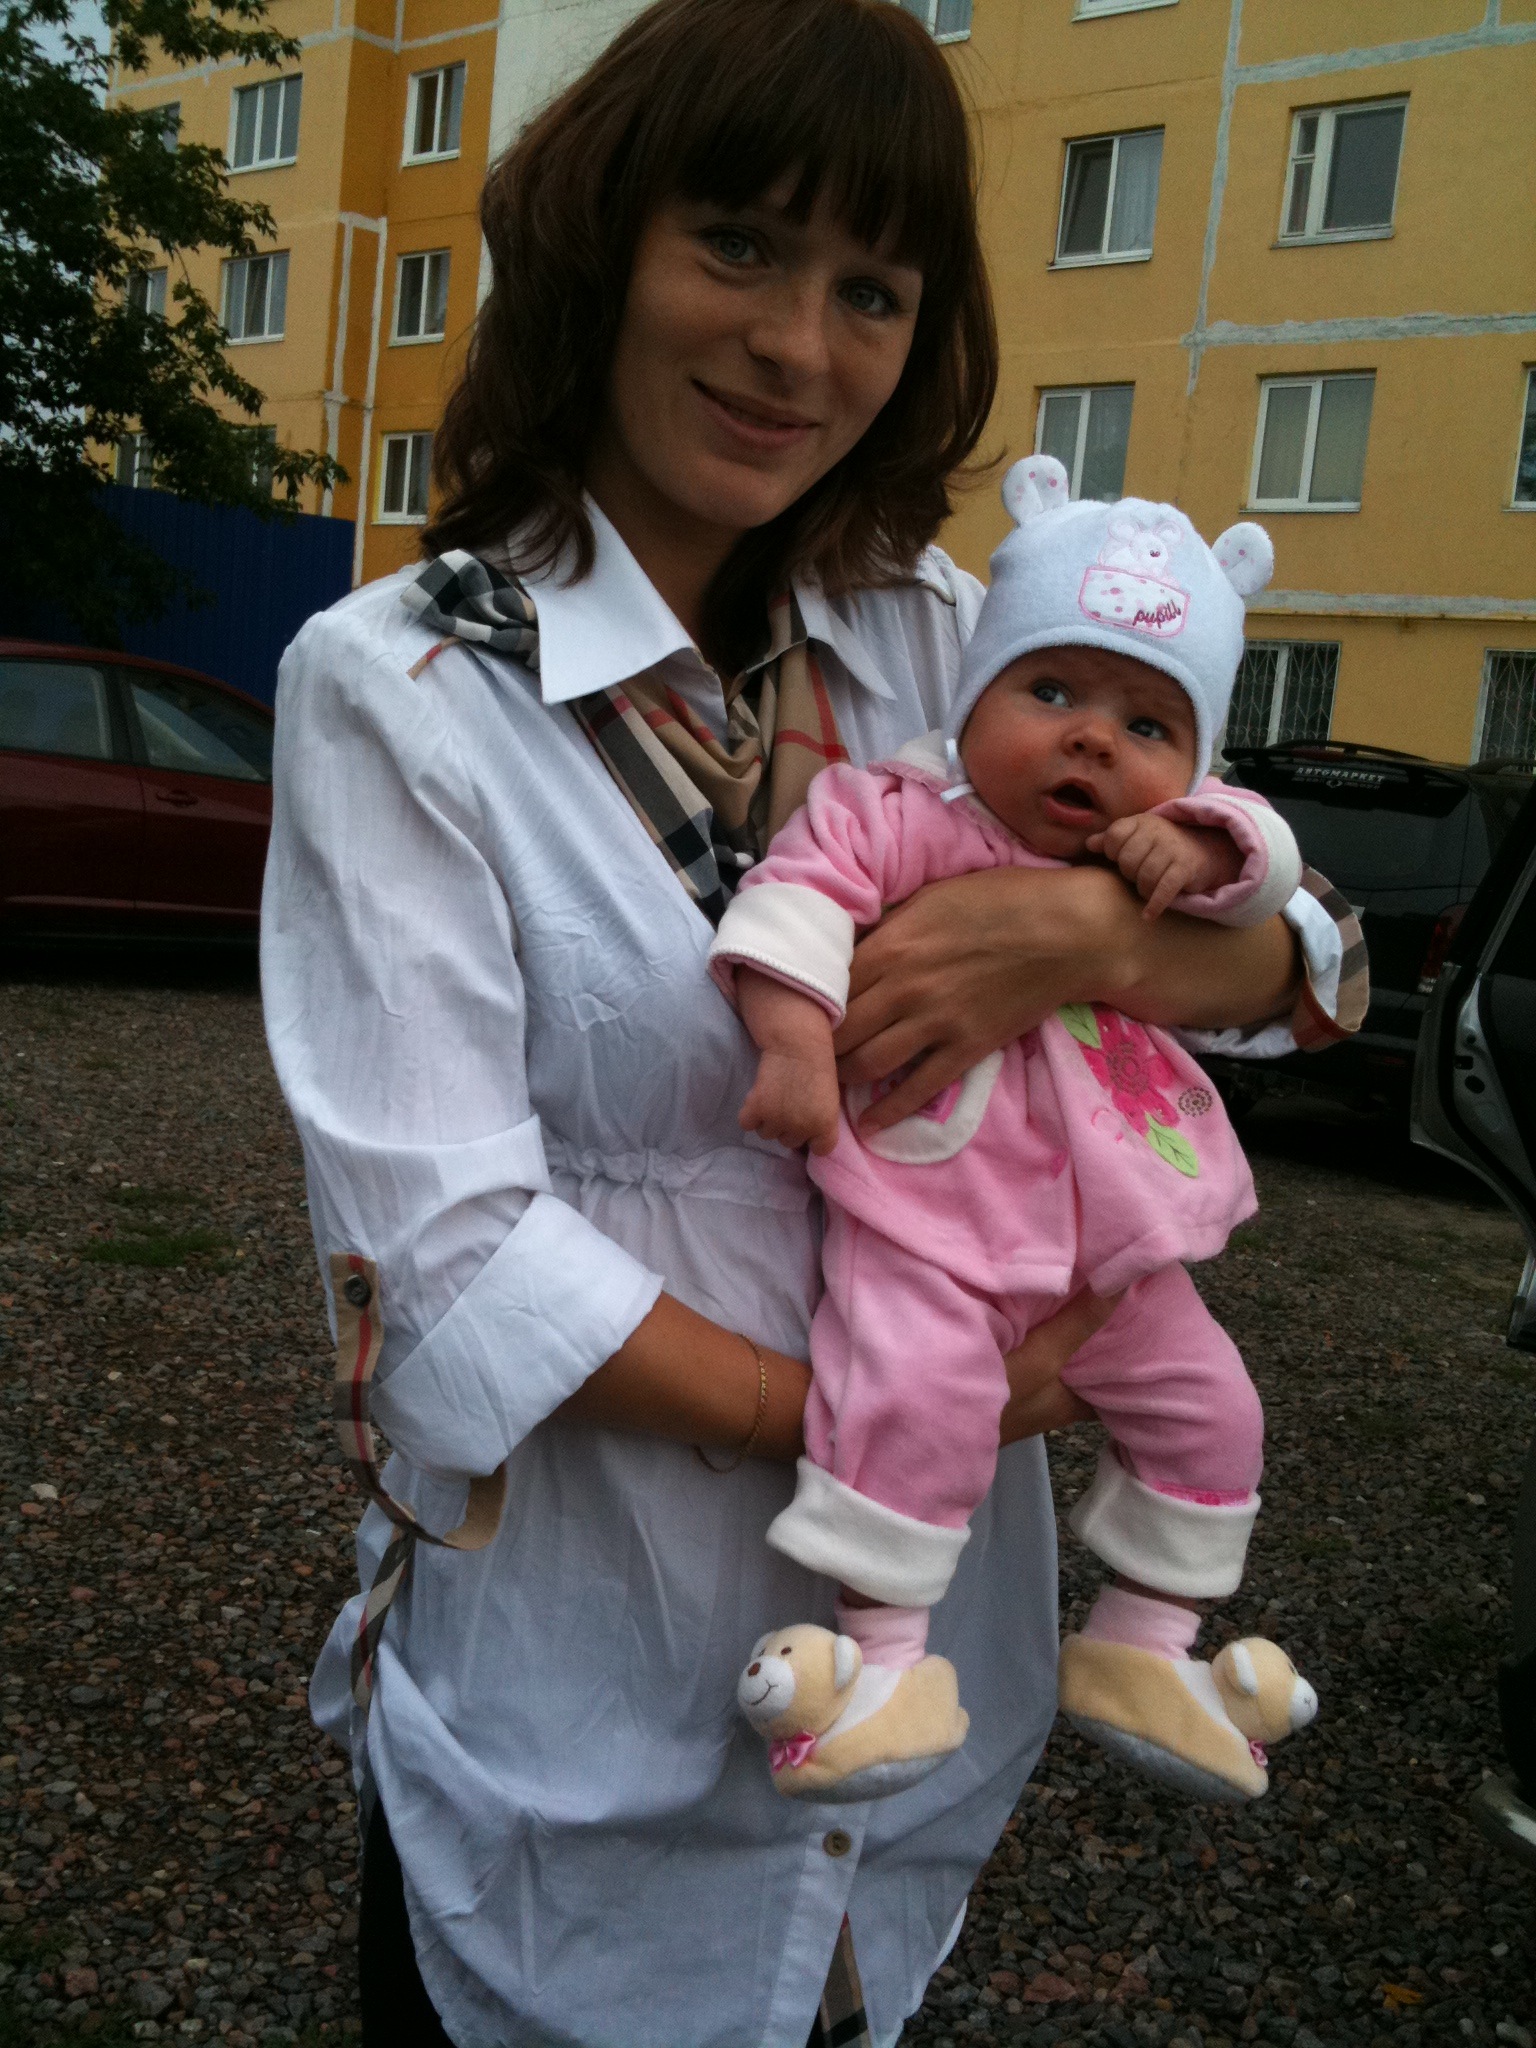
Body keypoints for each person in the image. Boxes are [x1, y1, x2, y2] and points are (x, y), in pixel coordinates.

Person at [259, 2, 1361, 2042]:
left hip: (932, 1737)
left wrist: (1069, 939)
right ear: (602, 244)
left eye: (872, 289)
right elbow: (448, 1261)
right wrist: (900, 1411)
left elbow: (1310, 963)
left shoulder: (945, 638)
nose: (798, 347)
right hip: (593, 1690)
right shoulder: (405, 686)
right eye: (741, 246)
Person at [711, 455, 1319, 1809]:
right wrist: (795, 1047)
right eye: (1051, 693)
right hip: (932, 1219)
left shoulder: (1161, 853)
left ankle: (1146, 1640)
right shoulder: (905, 812)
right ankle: (878, 1661)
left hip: (1113, 1240)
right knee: (912, 1397)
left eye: (1148, 724)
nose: (1093, 740)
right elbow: (794, 904)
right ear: (974, 691)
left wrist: (1203, 850)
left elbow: (1278, 879)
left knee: (1215, 1406)